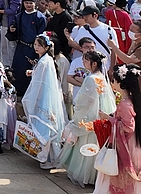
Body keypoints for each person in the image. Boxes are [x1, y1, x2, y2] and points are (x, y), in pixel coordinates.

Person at [58, 50, 117, 187]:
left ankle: (84, 176)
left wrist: (78, 115)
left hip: (89, 116)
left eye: (86, 60)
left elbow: (84, 101)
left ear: (94, 63)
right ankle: (94, 176)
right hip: (98, 116)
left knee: (86, 146)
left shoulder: (91, 79)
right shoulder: (100, 77)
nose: (83, 62)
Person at [93, 63, 141, 194]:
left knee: (124, 178)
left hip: (128, 145)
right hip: (134, 144)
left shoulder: (125, 104)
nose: (112, 84)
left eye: (114, 81)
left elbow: (128, 127)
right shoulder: (133, 101)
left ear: (121, 84)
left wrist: (108, 118)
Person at [21, 33, 67, 170]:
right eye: (35, 44)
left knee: (45, 128)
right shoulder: (46, 60)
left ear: (46, 47)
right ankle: (48, 157)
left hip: (43, 98)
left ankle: (46, 158)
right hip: (45, 96)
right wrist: (33, 72)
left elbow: (40, 83)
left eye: (39, 45)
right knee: (47, 127)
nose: (36, 47)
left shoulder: (44, 61)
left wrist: (31, 98)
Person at [108, 22, 141, 114]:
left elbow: (128, 60)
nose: (130, 32)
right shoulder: (135, 44)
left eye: (133, 31)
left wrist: (114, 47)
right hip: (133, 83)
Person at [10, 0, 47, 96]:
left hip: (33, 48)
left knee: (31, 70)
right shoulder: (19, 16)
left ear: (35, 3)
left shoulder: (40, 17)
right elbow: (14, 30)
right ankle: (17, 91)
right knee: (18, 69)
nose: (29, 5)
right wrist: (12, 29)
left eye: (31, 3)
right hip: (21, 46)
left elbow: (41, 35)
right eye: (26, 3)